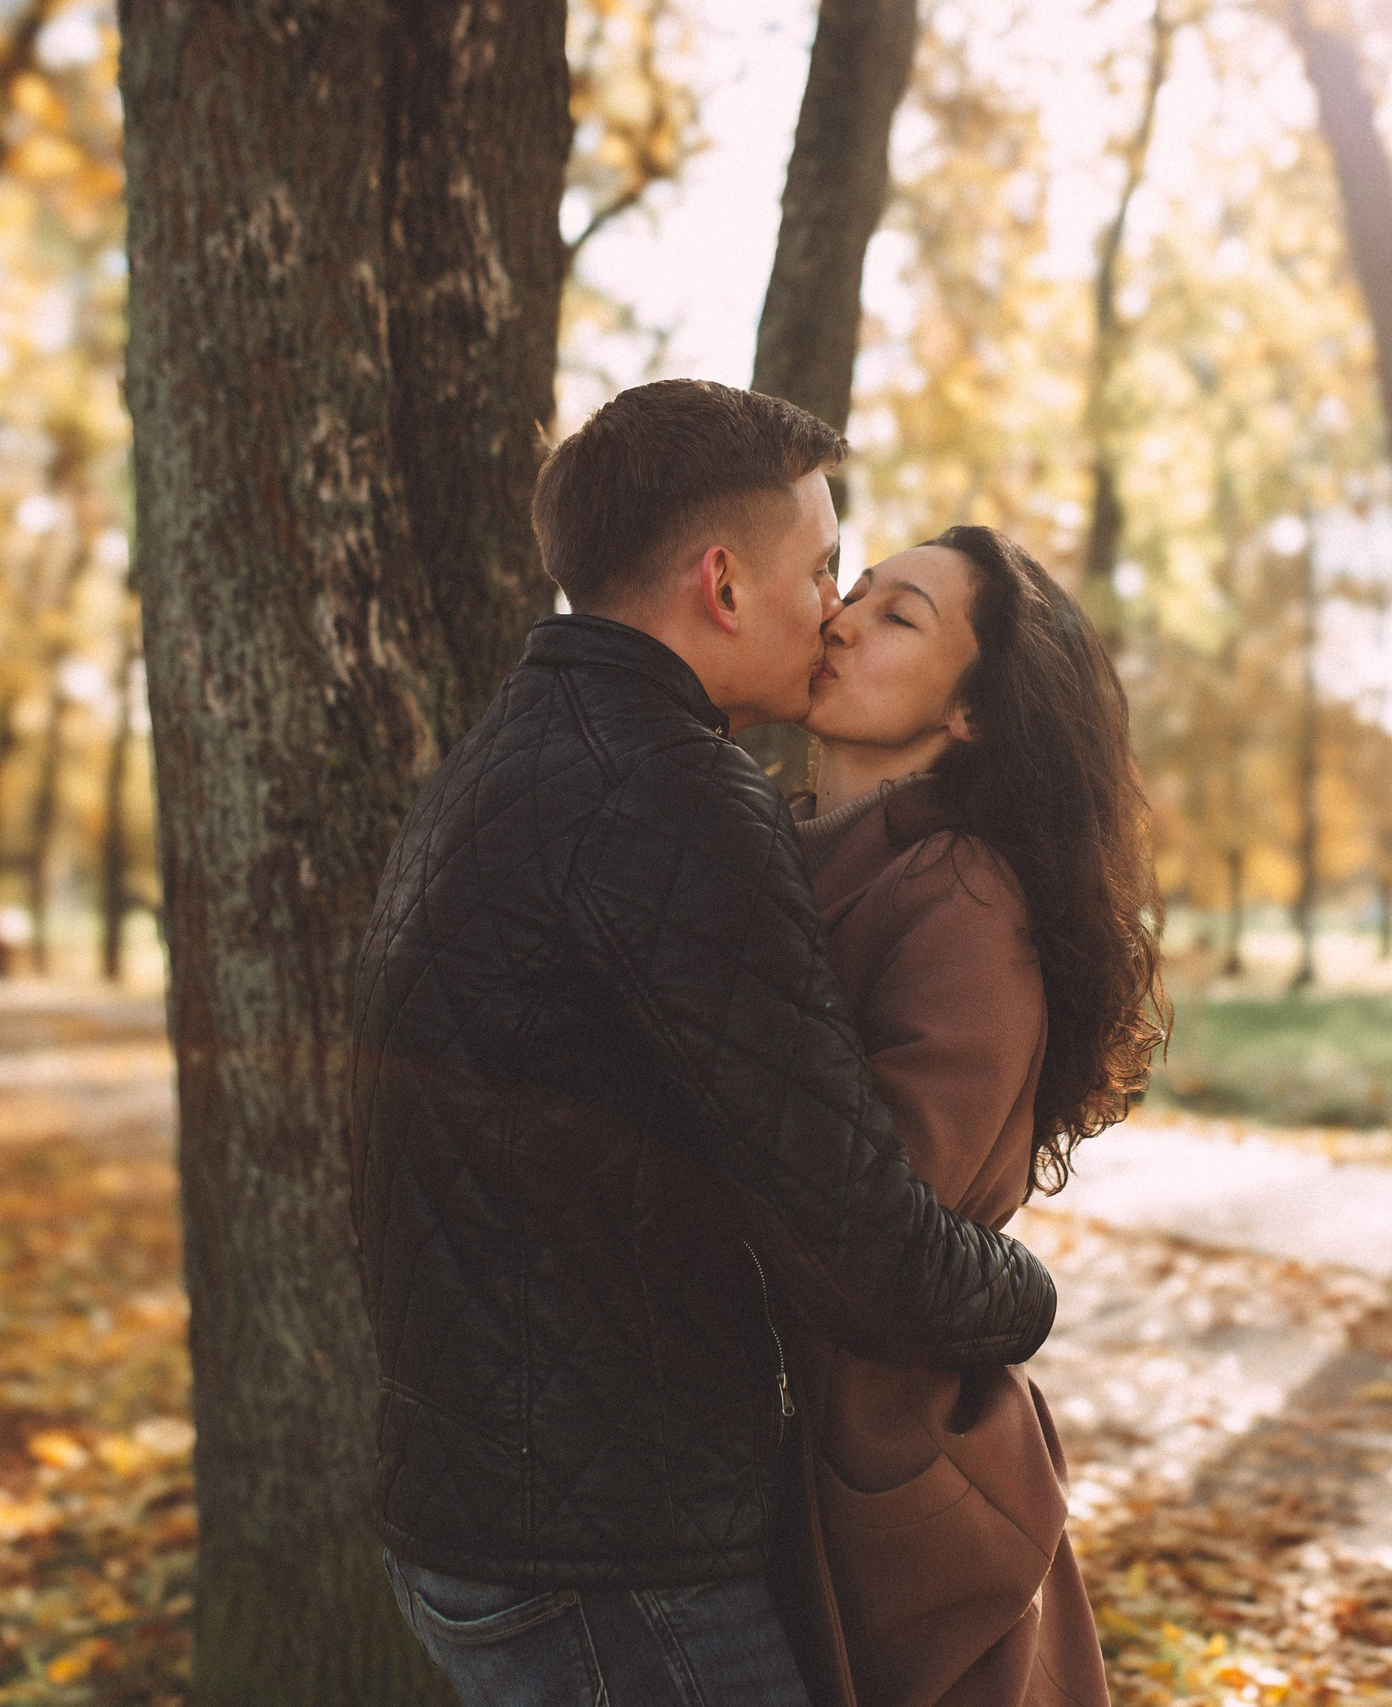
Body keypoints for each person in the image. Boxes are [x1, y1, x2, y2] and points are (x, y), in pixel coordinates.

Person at [348, 383, 1060, 1707]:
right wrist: (1030, 1295)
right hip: (609, 1554)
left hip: (487, 1511)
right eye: (824, 569)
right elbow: (856, 1237)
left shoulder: (512, 751)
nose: (832, 610)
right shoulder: (669, 791)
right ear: (723, 585)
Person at [770, 526, 1167, 1707]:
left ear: (972, 714)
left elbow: (881, 1216)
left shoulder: (959, 889)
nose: (841, 619)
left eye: (899, 616)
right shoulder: (775, 842)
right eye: (853, 591)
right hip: (784, 1453)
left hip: (886, 1472)